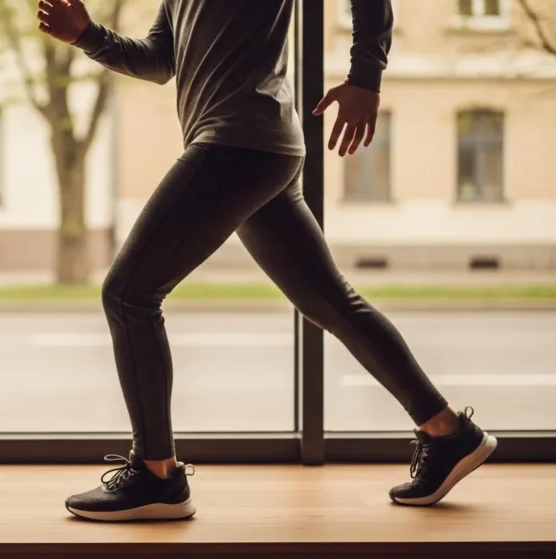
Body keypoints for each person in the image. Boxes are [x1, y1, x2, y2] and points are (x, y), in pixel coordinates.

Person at [36, 0, 498, 522]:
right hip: (260, 146)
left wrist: (366, 78)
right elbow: (162, 60)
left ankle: (157, 475)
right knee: (331, 303)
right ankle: (447, 431)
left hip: (237, 142)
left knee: (128, 293)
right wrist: (88, 36)